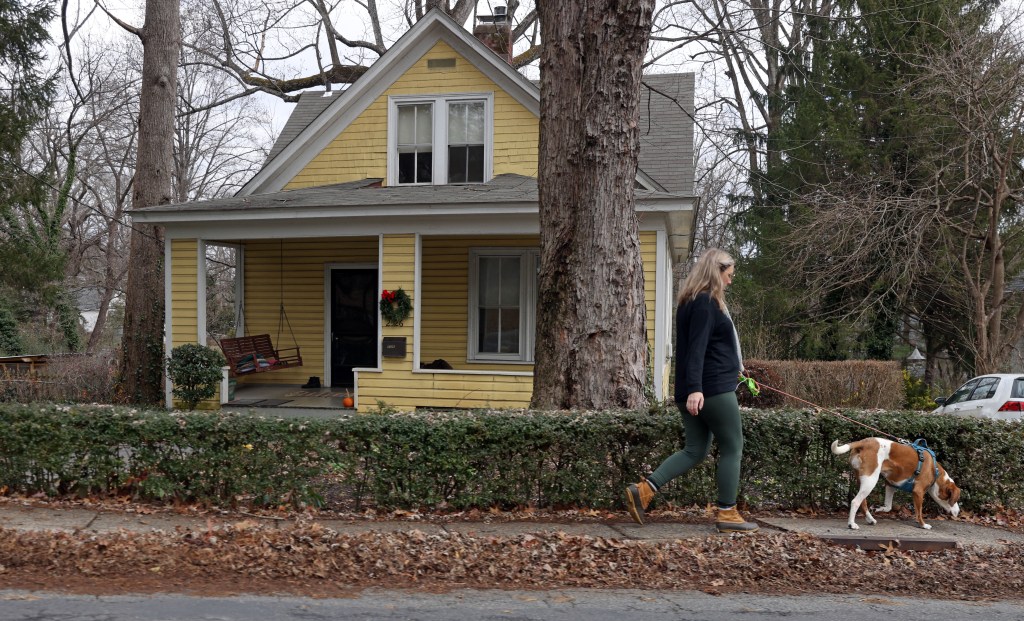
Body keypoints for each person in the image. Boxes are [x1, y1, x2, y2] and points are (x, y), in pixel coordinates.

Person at [624, 248, 758, 533]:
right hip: (711, 390)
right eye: (729, 275)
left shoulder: (690, 301)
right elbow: (696, 349)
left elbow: (704, 347)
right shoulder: (706, 303)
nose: (730, 281)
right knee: (733, 446)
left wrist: (733, 368)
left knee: (696, 450)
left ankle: (644, 491)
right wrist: (698, 389)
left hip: (696, 388)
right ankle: (727, 513)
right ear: (716, 271)